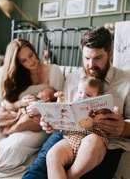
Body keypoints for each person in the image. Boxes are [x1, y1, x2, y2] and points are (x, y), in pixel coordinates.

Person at [23, 26, 130, 179]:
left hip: (107, 143)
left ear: (110, 53)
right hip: (67, 136)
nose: (91, 65)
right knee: (38, 171)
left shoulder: (126, 82)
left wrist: (123, 127)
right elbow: (65, 109)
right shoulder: (74, 77)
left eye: (98, 58)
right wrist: (52, 122)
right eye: (87, 58)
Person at [0, 39, 64, 176]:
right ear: (17, 63)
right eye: (24, 61)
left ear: (34, 51)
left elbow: (60, 103)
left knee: (10, 150)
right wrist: (19, 104)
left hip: (42, 121)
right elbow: (4, 102)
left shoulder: (53, 71)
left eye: (31, 55)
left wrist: (40, 107)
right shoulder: (16, 74)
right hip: (16, 113)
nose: (31, 61)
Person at [46, 76, 109, 179]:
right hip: (70, 140)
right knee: (52, 155)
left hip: (92, 141)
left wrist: (114, 113)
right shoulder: (73, 105)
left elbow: (111, 120)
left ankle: (72, 176)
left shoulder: (102, 109)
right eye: (80, 92)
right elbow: (60, 118)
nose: (82, 96)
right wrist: (60, 101)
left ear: (99, 97)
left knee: (92, 141)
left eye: (88, 95)